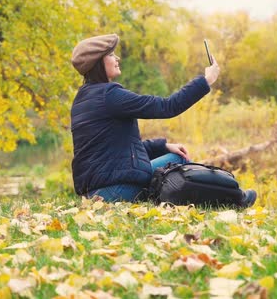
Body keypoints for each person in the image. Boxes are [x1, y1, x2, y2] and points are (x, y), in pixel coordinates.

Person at [70, 33, 256, 206]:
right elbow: (167, 106)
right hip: (116, 191)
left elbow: (116, 151)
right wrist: (206, 81)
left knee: (174, 156)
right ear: (98, 62)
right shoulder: (110, 95)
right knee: (177, 164)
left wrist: (162, 146)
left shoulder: (82, 99)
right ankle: (235, 199)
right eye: (111, 54)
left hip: (94, 193)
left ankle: (231, 197)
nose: (117, 58)